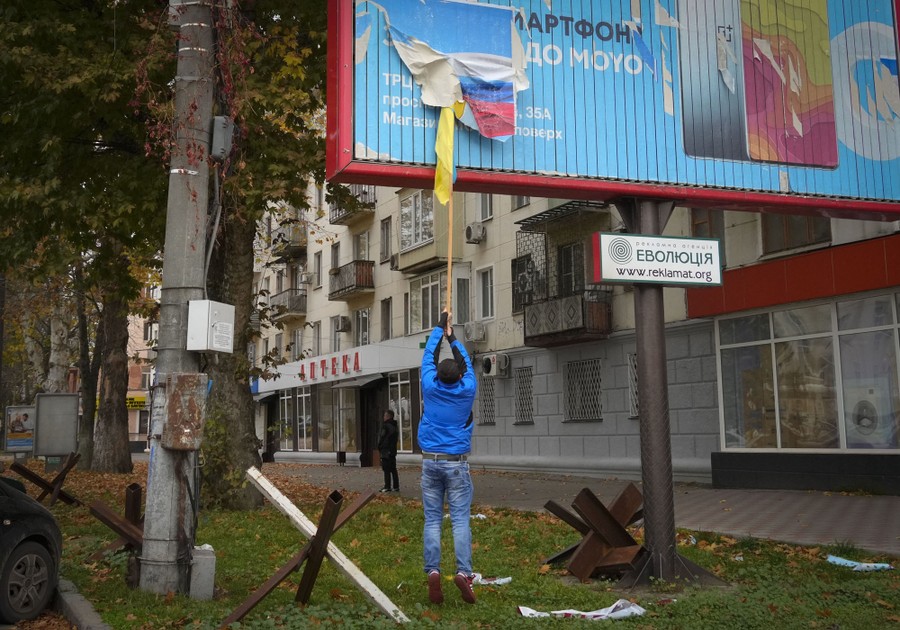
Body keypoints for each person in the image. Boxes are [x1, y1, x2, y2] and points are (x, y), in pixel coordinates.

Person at [418, 309, 478, 605]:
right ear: (458, 377)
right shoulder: (467, 389)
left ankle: (432, 572)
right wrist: (453, 337)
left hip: (430, 461)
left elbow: (427, 357)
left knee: (432, 520)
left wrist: (438, 328)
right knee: (460, 520)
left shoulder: (429, 386)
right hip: (456, 464)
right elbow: (467, 363)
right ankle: (464, 573)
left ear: (438, 376)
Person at [377, 409, 400, 492]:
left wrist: (380, 446)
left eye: (384, 415)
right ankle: (396, 486)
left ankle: (387, 486)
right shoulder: (395, 426)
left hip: (386, 450)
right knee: (393, 468)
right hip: (393, 450)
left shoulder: (386, 426)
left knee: (386, 469)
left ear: (388, 416)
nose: (383, 417)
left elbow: (382, 437)